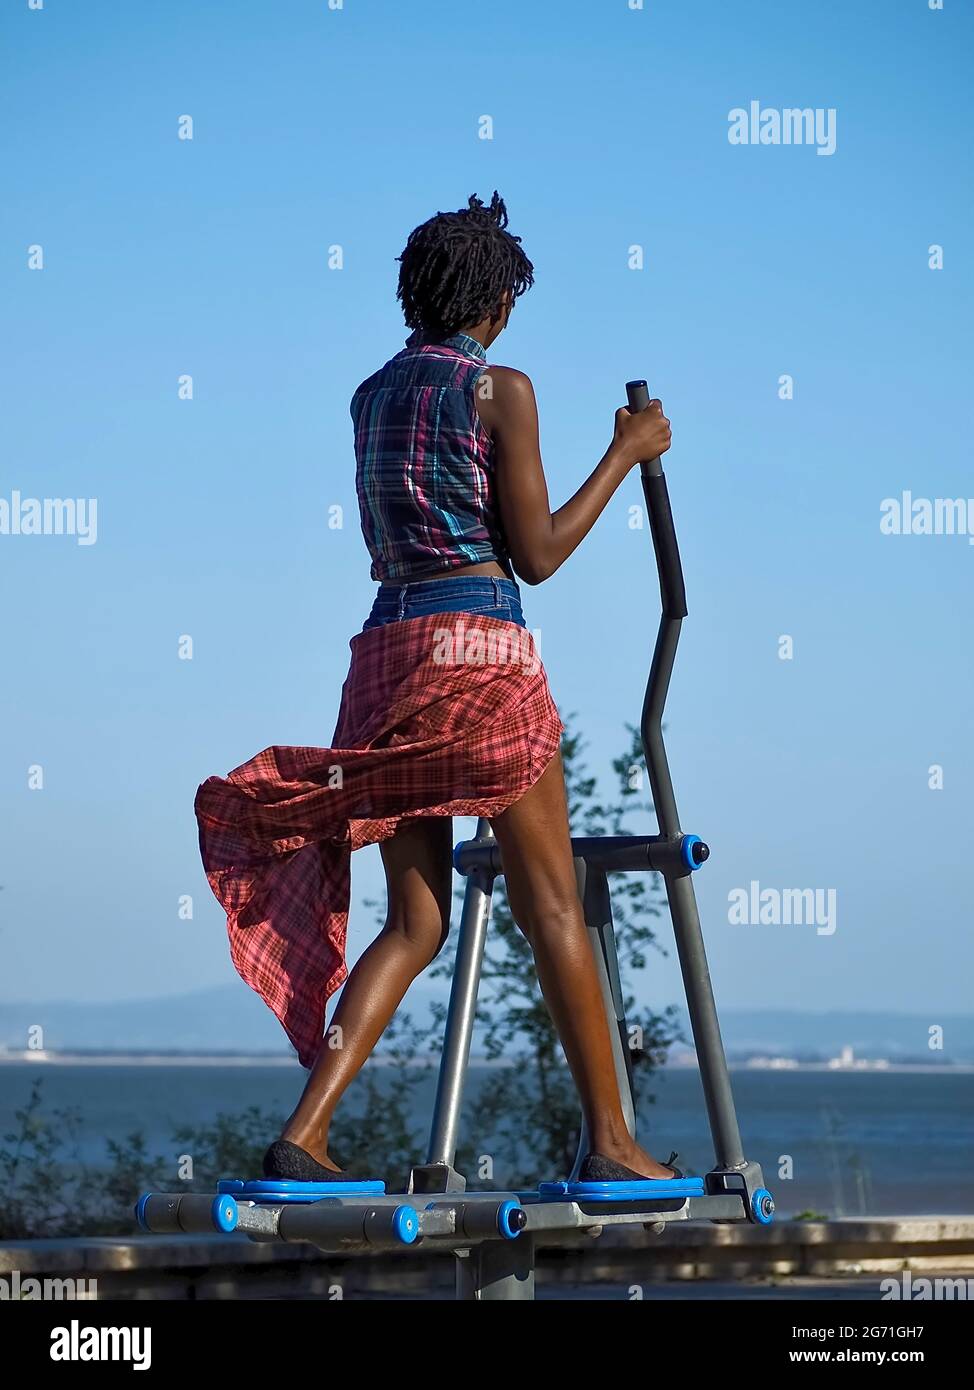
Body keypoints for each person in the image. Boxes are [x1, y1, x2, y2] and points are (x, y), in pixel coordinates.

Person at [195, 191, 677, 1186]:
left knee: (412, 923)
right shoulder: (501, 388)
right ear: (497, 302)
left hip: (382, 655)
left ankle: (307, 1132)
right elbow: (536, 554)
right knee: (552, 902)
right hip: (477, 655)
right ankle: (609, 1142)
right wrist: (625, 455)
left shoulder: (368, 394)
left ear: (414, 291)